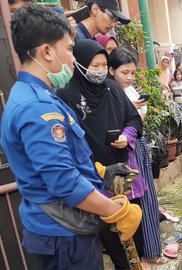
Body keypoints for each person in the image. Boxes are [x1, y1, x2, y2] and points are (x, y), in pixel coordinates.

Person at [1, 5, 141, 269]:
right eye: (68, 49)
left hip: (61, 229)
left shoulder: (35, 96)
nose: (71, 59)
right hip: (64, 236)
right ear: (46, 51)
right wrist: (117, 211)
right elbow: (63, 181)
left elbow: (61, 163)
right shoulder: (37, 108)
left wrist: (100, 172)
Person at [57, 39, 145, 270]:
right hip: (94, 177)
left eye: (103, 65)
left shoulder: (113, 89)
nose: (100, 71)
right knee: (109, 233)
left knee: (132, 225)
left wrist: (126, 136)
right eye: (94, 65)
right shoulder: (66, 97)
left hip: (122, 172)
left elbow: (133, 118)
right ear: (81, 64)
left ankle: (136, 264)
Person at [109, 47, 169, 265]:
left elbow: (137, 122)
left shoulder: (131, 91)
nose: (129, 77)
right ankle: (140, 256)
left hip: (137, 147)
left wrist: (134, 112)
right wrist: (129, 111)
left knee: (147, 200)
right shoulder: (110, 95)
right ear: (111, 70)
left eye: (133, 73)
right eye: (125, 72)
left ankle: (150, 252)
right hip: (123, 154)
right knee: (129, 206)